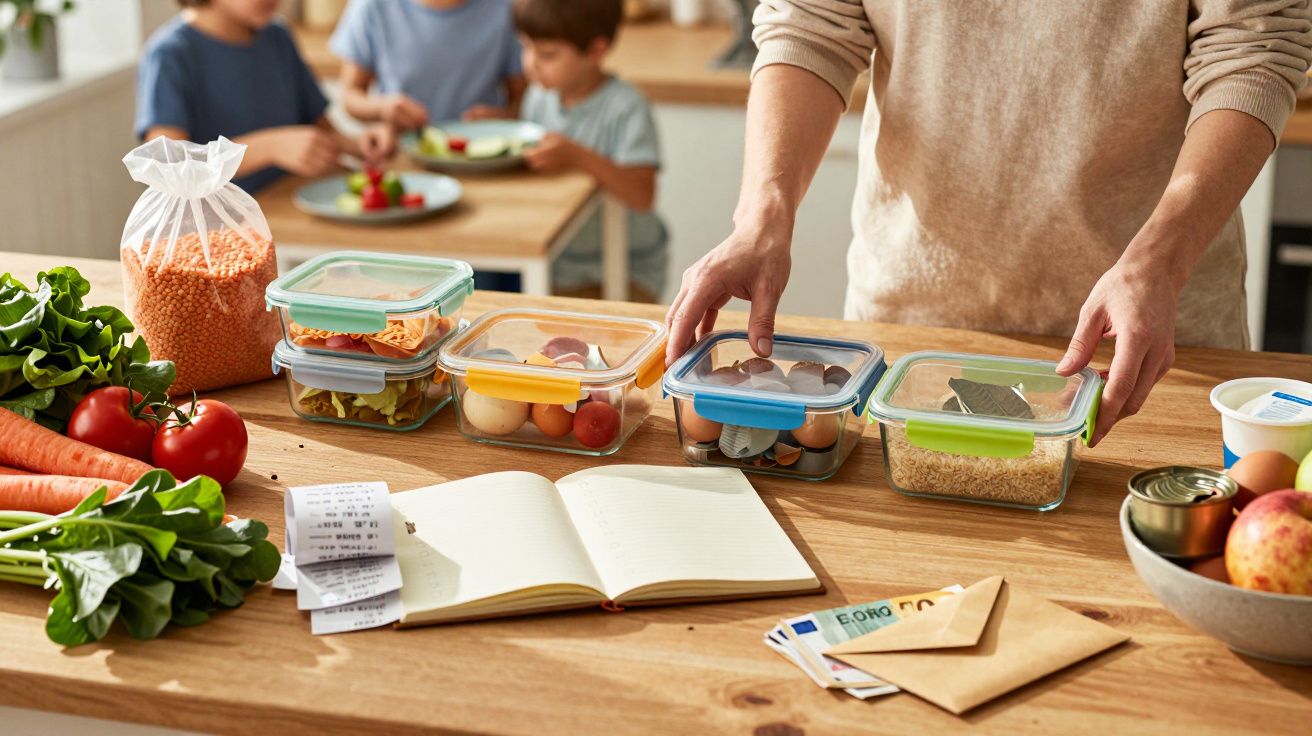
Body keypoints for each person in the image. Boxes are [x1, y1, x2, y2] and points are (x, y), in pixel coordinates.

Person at [665, 0, 1312, 444]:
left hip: (1145, 348)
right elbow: (811, 23)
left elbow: (1252, 52)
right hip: (909, 337)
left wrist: (1160, 259)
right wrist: (762, 214)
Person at [136, 0, 392, 193]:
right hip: (222, 234)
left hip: (290, 206)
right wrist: (270, 147)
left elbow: (318, 126)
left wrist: (356, 145)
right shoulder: (170, 54)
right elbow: (169, 163)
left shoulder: (277, 36)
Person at [513, 0, 670, 301]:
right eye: (525, 47)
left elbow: (642, 194)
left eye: (547, 55)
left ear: (596, 51)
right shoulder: (537, 98)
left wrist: (577, 156)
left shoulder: (626, 106)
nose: (530, 63)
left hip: (629, 269)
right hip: (561, 266)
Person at [331, 0, 526, 129]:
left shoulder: (506, 9)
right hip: (399, 158)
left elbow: (523, 101)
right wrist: (382, 108)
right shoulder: (373, 6)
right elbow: (350, 95)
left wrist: (502, 119)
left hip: (484, 160)